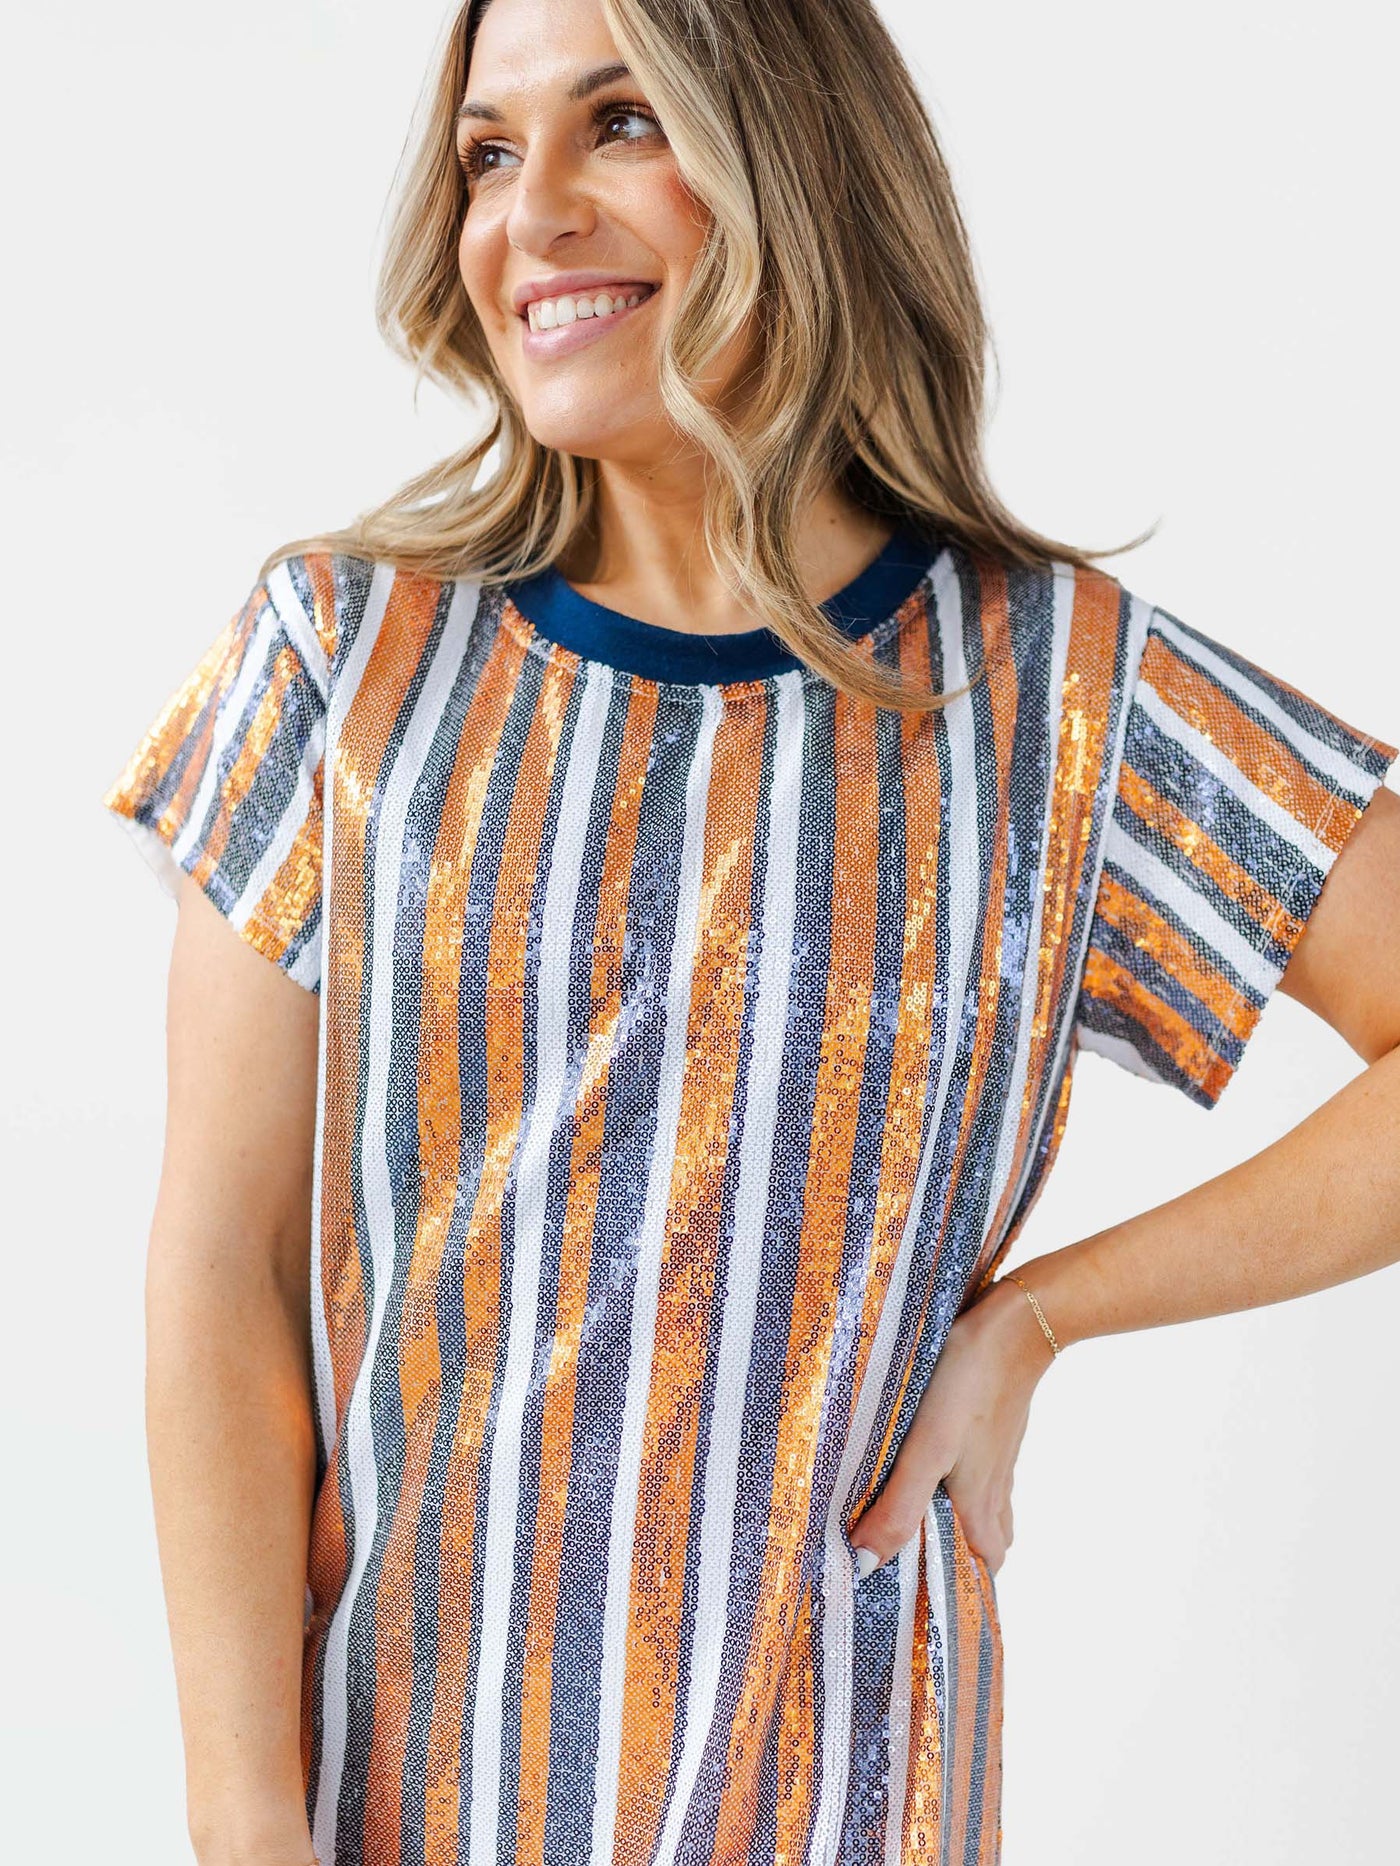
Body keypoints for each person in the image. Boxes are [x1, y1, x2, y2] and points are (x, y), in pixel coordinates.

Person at [98, 1, 1400, 1862]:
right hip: (395, 1801)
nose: (529, 211)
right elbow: (219, 1275)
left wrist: (1039, 1316)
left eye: (618, 123)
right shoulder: (343, 661)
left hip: (852, 1790)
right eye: (486, 150)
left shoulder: (1053, 699)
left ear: (791, 155)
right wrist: (245, 1820)